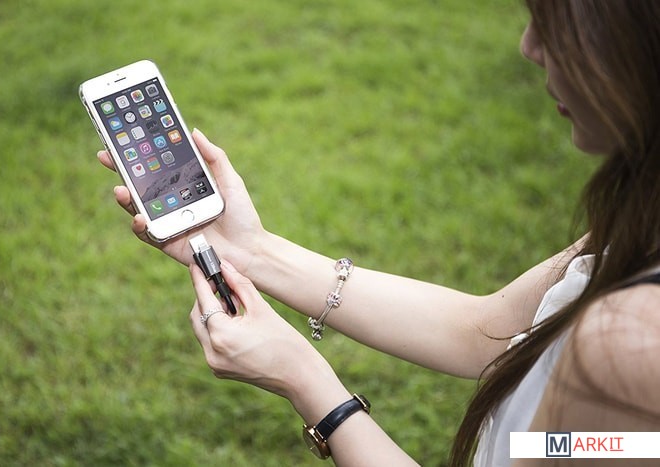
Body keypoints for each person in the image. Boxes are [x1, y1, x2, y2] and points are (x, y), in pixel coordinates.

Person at [97, 1, 660, 465]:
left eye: (555, 24)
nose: (529, 47)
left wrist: (305, 379)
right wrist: (253, 251)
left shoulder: (631, 346)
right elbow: (485, 331)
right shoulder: (646, 218)